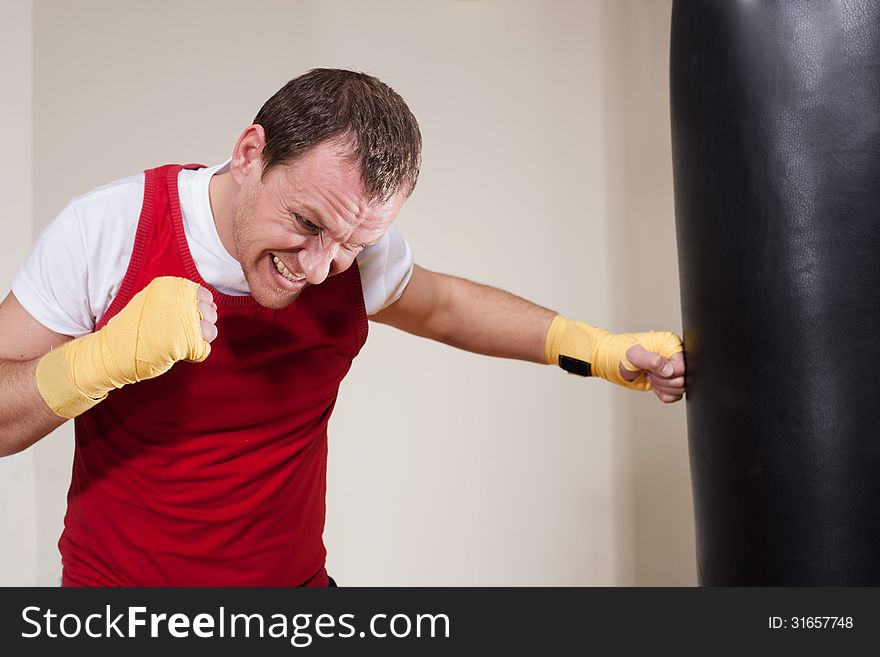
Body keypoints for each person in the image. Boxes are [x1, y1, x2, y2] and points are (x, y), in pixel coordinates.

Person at [0, 68, 685, 587]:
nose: (320, 266)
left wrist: (594, 351)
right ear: (248, 154)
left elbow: (447, 308)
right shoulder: (109, 232)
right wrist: (99, 359)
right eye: (306, 223)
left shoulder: (352, 256)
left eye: (352, 242)